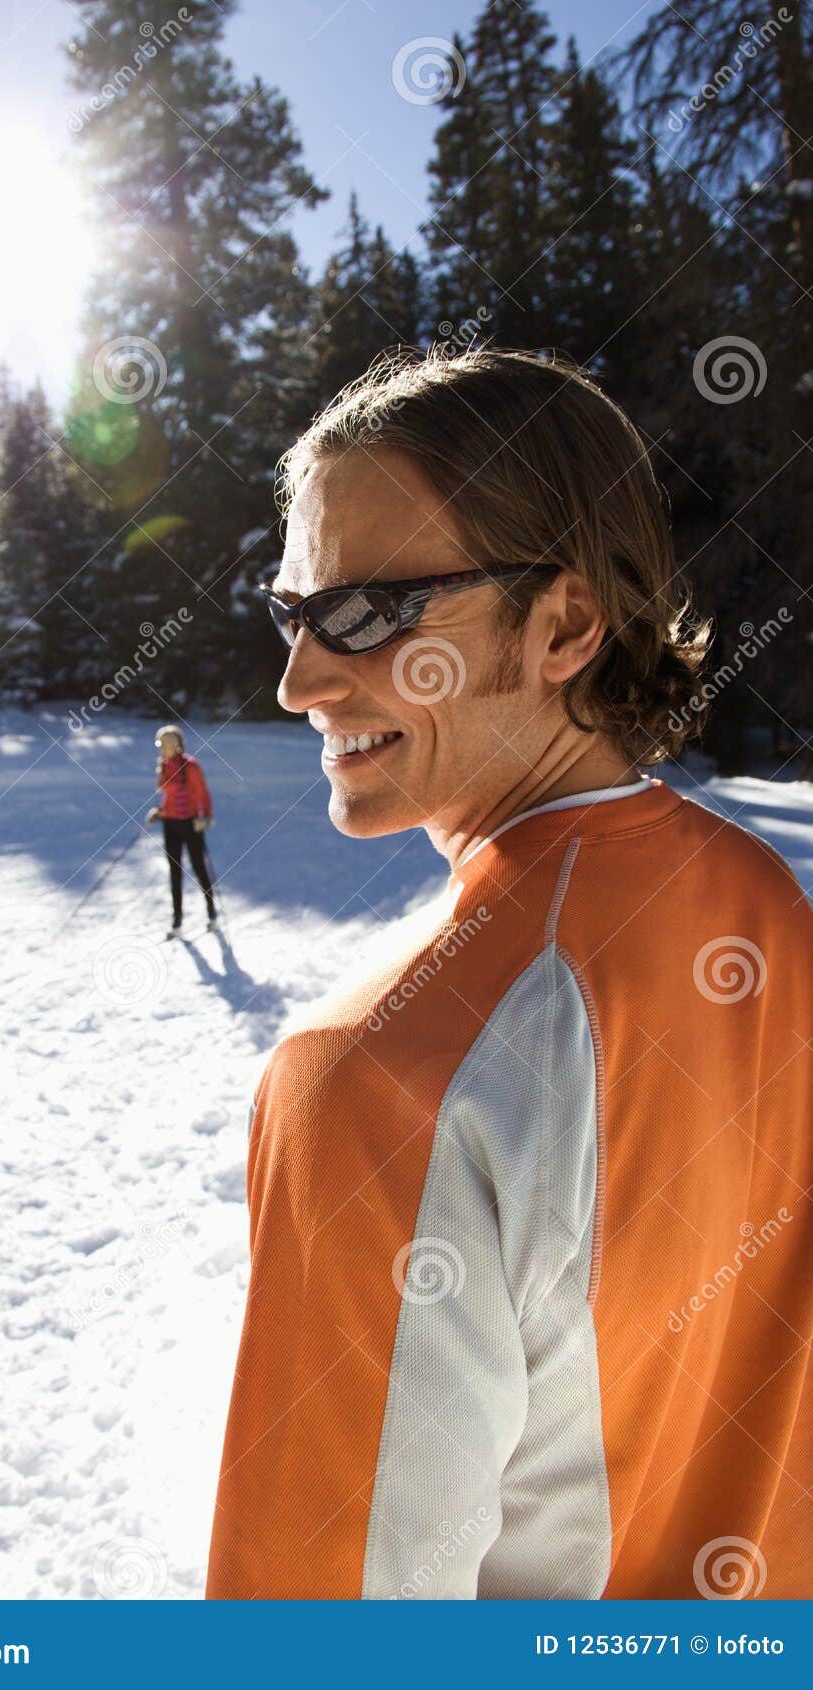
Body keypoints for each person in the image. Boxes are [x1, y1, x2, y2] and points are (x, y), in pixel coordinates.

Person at [206, 346, 813, 1600]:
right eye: (289, 610)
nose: (297, 679)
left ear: (565, 626)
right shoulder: (761, 904)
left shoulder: (373, 1077)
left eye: (365, 613)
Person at [147, 725, 216, 938]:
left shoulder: (191, 767)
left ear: (176, 746)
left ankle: (211, 912)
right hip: (171, 824)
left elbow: (202, 794)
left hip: (191, 824)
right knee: (174, 872)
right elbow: (169, 795)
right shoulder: (164, 765)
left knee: (198, 868)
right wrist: (159, 811)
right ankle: (177, 920)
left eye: (166, 745)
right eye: (160, 745)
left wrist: (206, 817)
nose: (162, 749)